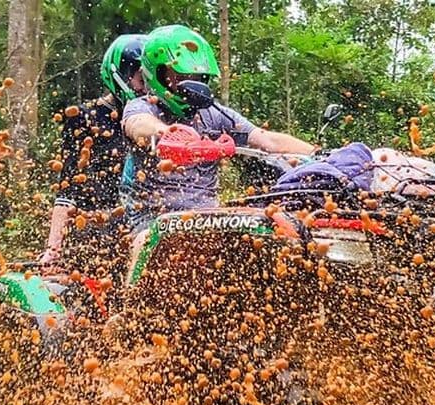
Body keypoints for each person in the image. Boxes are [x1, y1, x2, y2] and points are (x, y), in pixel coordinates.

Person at [120, 24, 316, 233]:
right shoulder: (143, 106)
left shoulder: (214, 113)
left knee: (267, 231)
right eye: (177, 77)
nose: (189, 84)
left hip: (207, 218)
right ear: (156, 74)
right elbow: (137, 124)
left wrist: (317, 153)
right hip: (153, 218)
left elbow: (265, 139)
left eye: (196, 78)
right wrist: (169, 134)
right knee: (144, 242)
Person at [39, 33, 147, 267]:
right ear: (122, 77)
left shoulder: (158, 119)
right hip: (95, 233)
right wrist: (53, 249)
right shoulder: (84, 118)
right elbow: (68, 187)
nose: (147, 89)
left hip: (142, 227)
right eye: (142, 80)